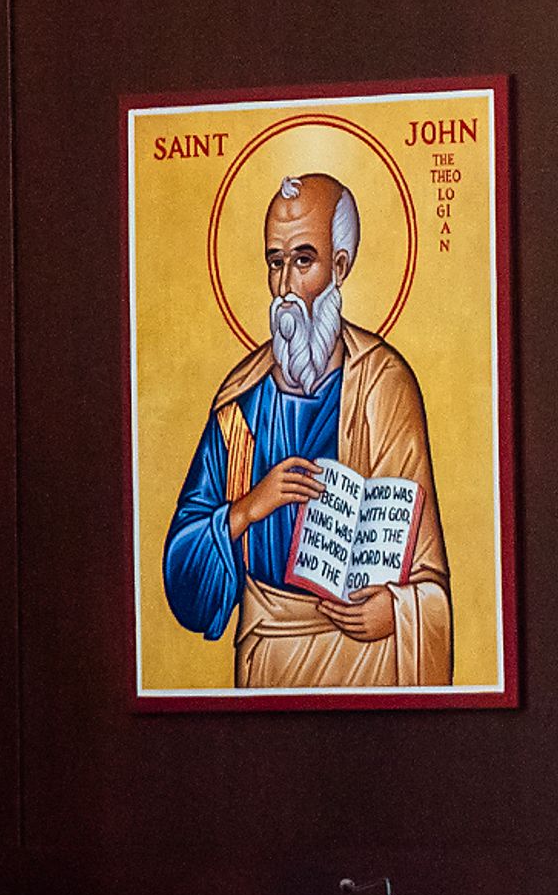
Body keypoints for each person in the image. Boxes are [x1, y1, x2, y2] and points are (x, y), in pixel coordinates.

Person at [161, 173, 449, 688]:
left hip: (370, 659)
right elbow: (181, 569)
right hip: (269, 653)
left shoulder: (384, 385)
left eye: (303, 260)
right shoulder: (241, 402)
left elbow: (427, 573)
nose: (285, 285)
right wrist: (249, 507)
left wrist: (396, 609)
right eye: (276, 262)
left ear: (339, 266)